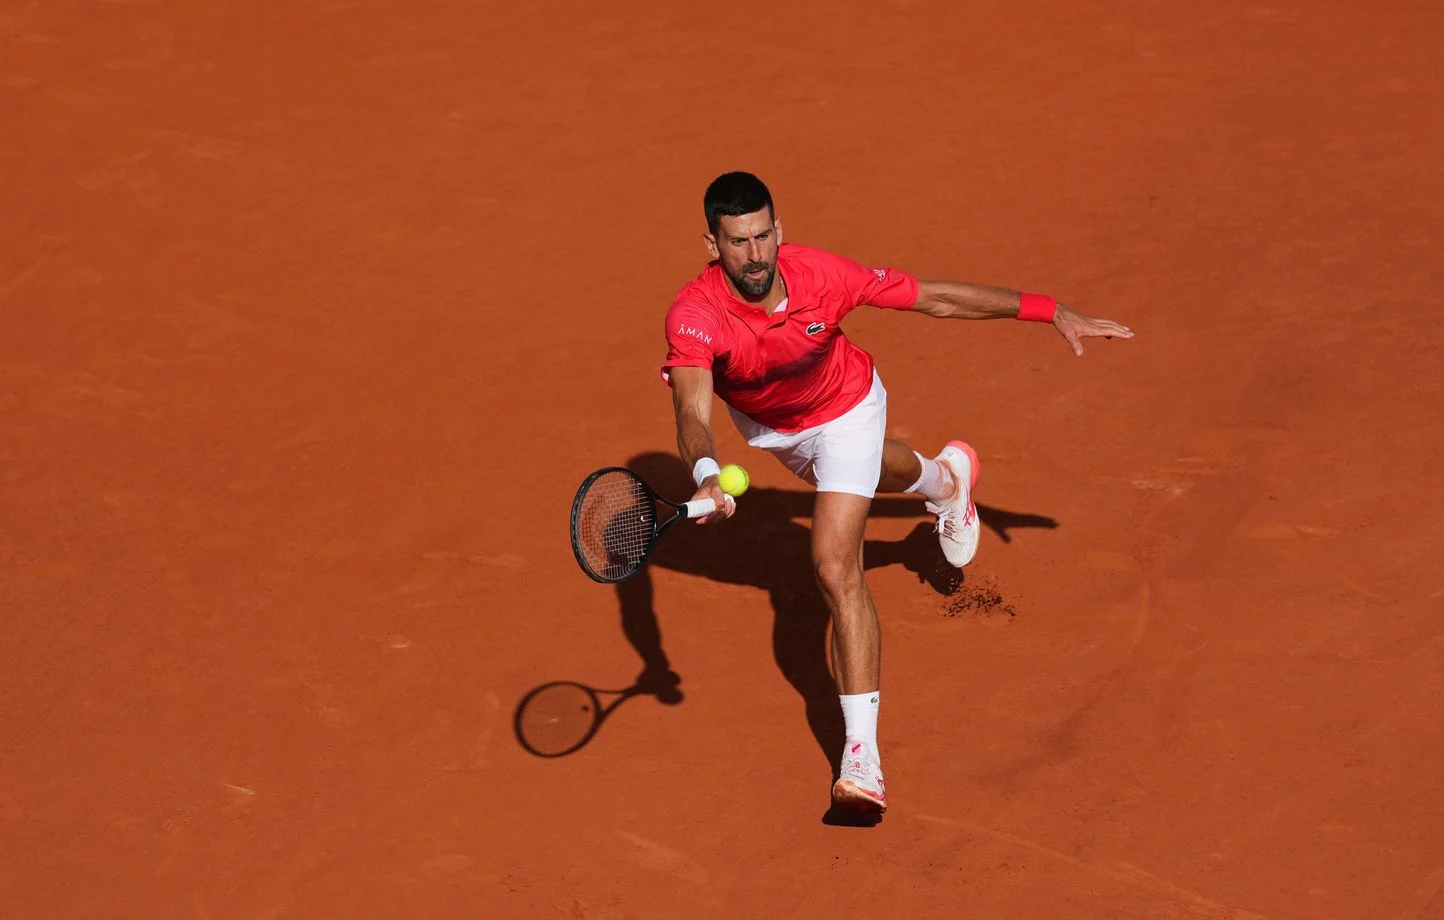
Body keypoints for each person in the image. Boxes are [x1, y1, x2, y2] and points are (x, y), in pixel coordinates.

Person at [660, 172, 1133, 813]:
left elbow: (934, 297)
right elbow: (693, 411)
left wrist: (1048, 310)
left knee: (833, 565)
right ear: (712, 245)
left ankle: (862, 762)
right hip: (777, 433)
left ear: (780, 231)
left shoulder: (824, 276)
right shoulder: (695, 315)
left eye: (764, 235)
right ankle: (947, 480)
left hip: (850, 406)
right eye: (738, 241)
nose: (755, 254)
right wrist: (706, 474)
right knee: (863, 479)